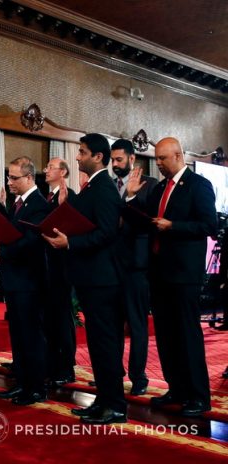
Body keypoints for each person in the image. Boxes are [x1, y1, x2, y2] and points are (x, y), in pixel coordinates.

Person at [127, 137, 216, 417]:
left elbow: (208, 225)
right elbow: (145, 221)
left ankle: (198, 396)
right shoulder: (160, 188)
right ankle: (176, 388)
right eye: (157, 159)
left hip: (184, 274)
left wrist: (173, 226)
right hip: (159, 272)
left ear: (177, 155)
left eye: (163, 159)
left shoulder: (199, 185)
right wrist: (130, 198)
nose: (159, 164)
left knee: (188, 335)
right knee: (165, 335)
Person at [44, 133, 127, 424]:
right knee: (97, 344)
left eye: (82, 152)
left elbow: (107, 232)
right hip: (91, 278)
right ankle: (103, 401)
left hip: (103, 280)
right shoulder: (93, 187)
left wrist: (71, 244)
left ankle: (115, 405)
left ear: (98, 157)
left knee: (105, 344)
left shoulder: (104, 188)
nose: (77, 157)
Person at [0, 157, 50, 405]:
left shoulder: (39, 204)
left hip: (29, 281)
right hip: (15, 279)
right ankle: (21, 384)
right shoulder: (17, 203)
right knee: (19, 336)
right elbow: (11, 231)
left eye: (14, 178)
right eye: (9, 177)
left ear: (29, 178)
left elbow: (31, 241)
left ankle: (36, 388)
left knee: (31, 336)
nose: (9, 182)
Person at [111, 139, 158, 395]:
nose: (115, 164)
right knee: (114, 325)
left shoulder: (150, 185)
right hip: (111, 265)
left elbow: (147, 223)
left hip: (137, 266)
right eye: (112, 160)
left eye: (119, 160)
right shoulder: (108, 185)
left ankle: (138, 378)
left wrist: (130, 196)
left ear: (131, 159)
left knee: (137, 325)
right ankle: (113, 374)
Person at [42, 157, 77, 387]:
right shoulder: (48, 197)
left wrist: (64, 206)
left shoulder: (69, 196)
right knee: (50, 318)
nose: (46, 170)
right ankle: (52, 363)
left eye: (51, 167)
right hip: (47, 265)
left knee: (63, 317)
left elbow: (72, 227)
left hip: (62, 266)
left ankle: (66, 366)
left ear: (63, 172)